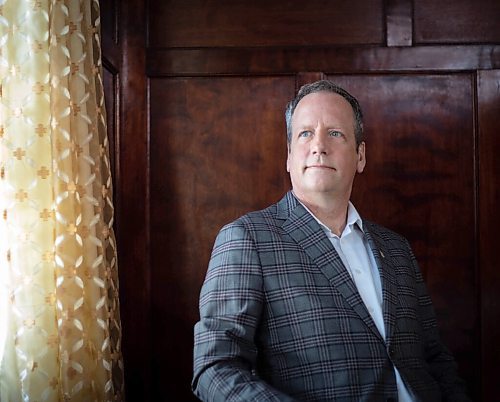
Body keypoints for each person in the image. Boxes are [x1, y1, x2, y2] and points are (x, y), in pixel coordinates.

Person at [192, 80, 470, 401]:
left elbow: (434, 356)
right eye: (305, 133)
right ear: (289, 155)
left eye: (335, 133)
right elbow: (215, 367)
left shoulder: (396, 248)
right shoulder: (247, 239)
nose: (318, 145)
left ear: (360, 155)